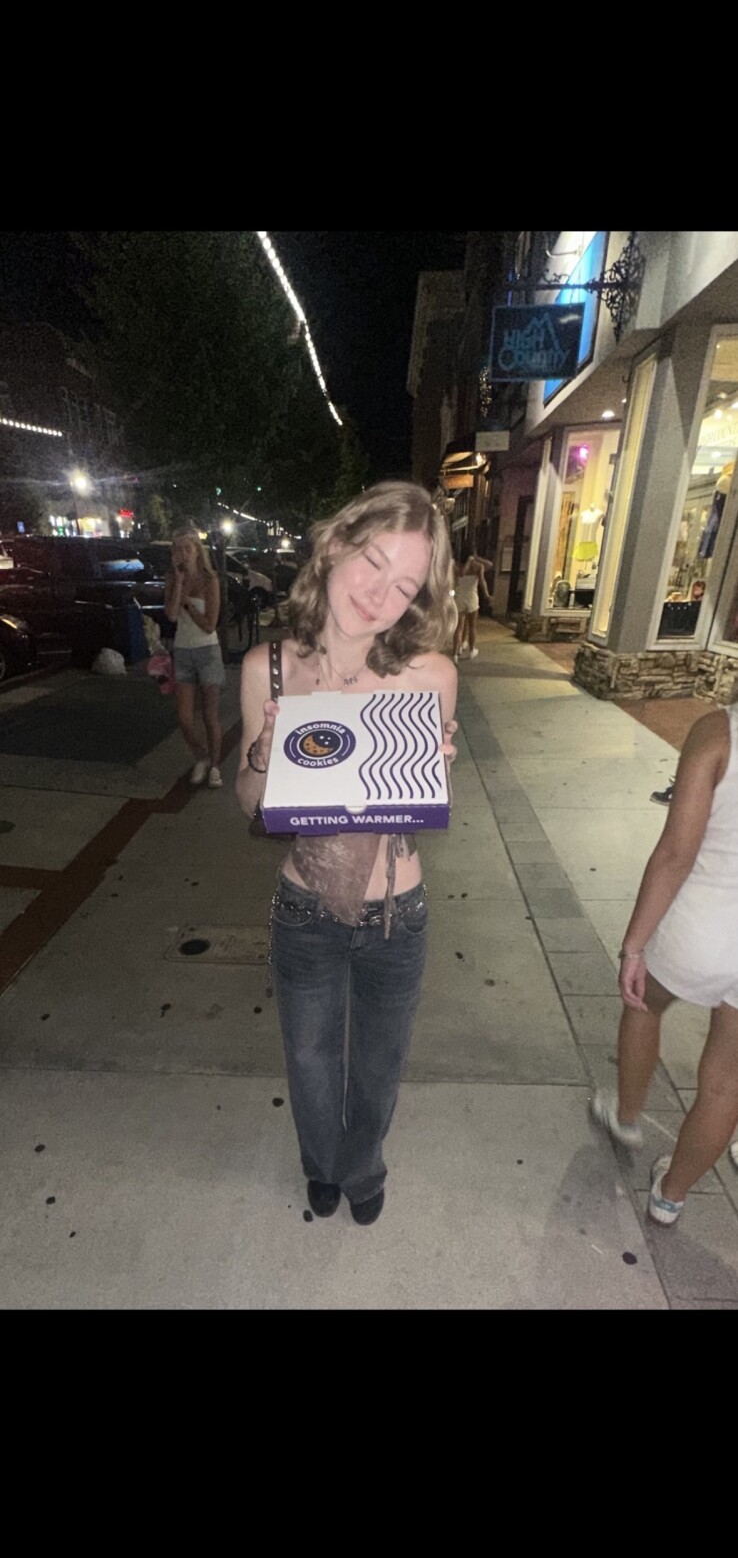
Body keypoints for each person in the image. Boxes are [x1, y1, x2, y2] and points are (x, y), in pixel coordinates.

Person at [236, 481, 458, 1226]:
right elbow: (250, 805)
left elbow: (414, 809)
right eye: (372, 562)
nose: (379, 596)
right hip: (304, 909)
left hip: (398, 913)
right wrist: (264, 753)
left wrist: (433, 768)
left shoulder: (429, 676)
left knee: (379, 1067)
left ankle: (361, 1166)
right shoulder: (268, 669)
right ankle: (320, 1163)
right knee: (308, 1062)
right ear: (334, 545)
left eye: (405, 586)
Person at [591, 695, 738, 1226]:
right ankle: (670, 1196)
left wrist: (634, 945)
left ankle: (627, 1115)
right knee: (726, 1081)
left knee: (644, 1003)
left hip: (702, 926)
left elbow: (676, 852)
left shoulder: (718, 733)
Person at [164, 528, 225, 789]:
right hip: (183, 652)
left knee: (210, 715)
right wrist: (179, 583)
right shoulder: (172, 578)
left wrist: (188, 605)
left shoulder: (210, 580)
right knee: (184, 718)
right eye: (178, 549)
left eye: (188, 548)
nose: (183, 553)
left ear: (198, 551)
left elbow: (210, 625)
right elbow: (171, 615)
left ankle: (215, 767)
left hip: (207, 651)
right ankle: (201, 756)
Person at [452, 544, 493, 662]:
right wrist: (487, 595)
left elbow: (457, 578)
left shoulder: (456, 566)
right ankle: (471, 650)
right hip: (472, 597)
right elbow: (483, 581)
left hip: (459, 597)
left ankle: (455, 654)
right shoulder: (478, 567)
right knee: (472, 626)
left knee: (458, 628)